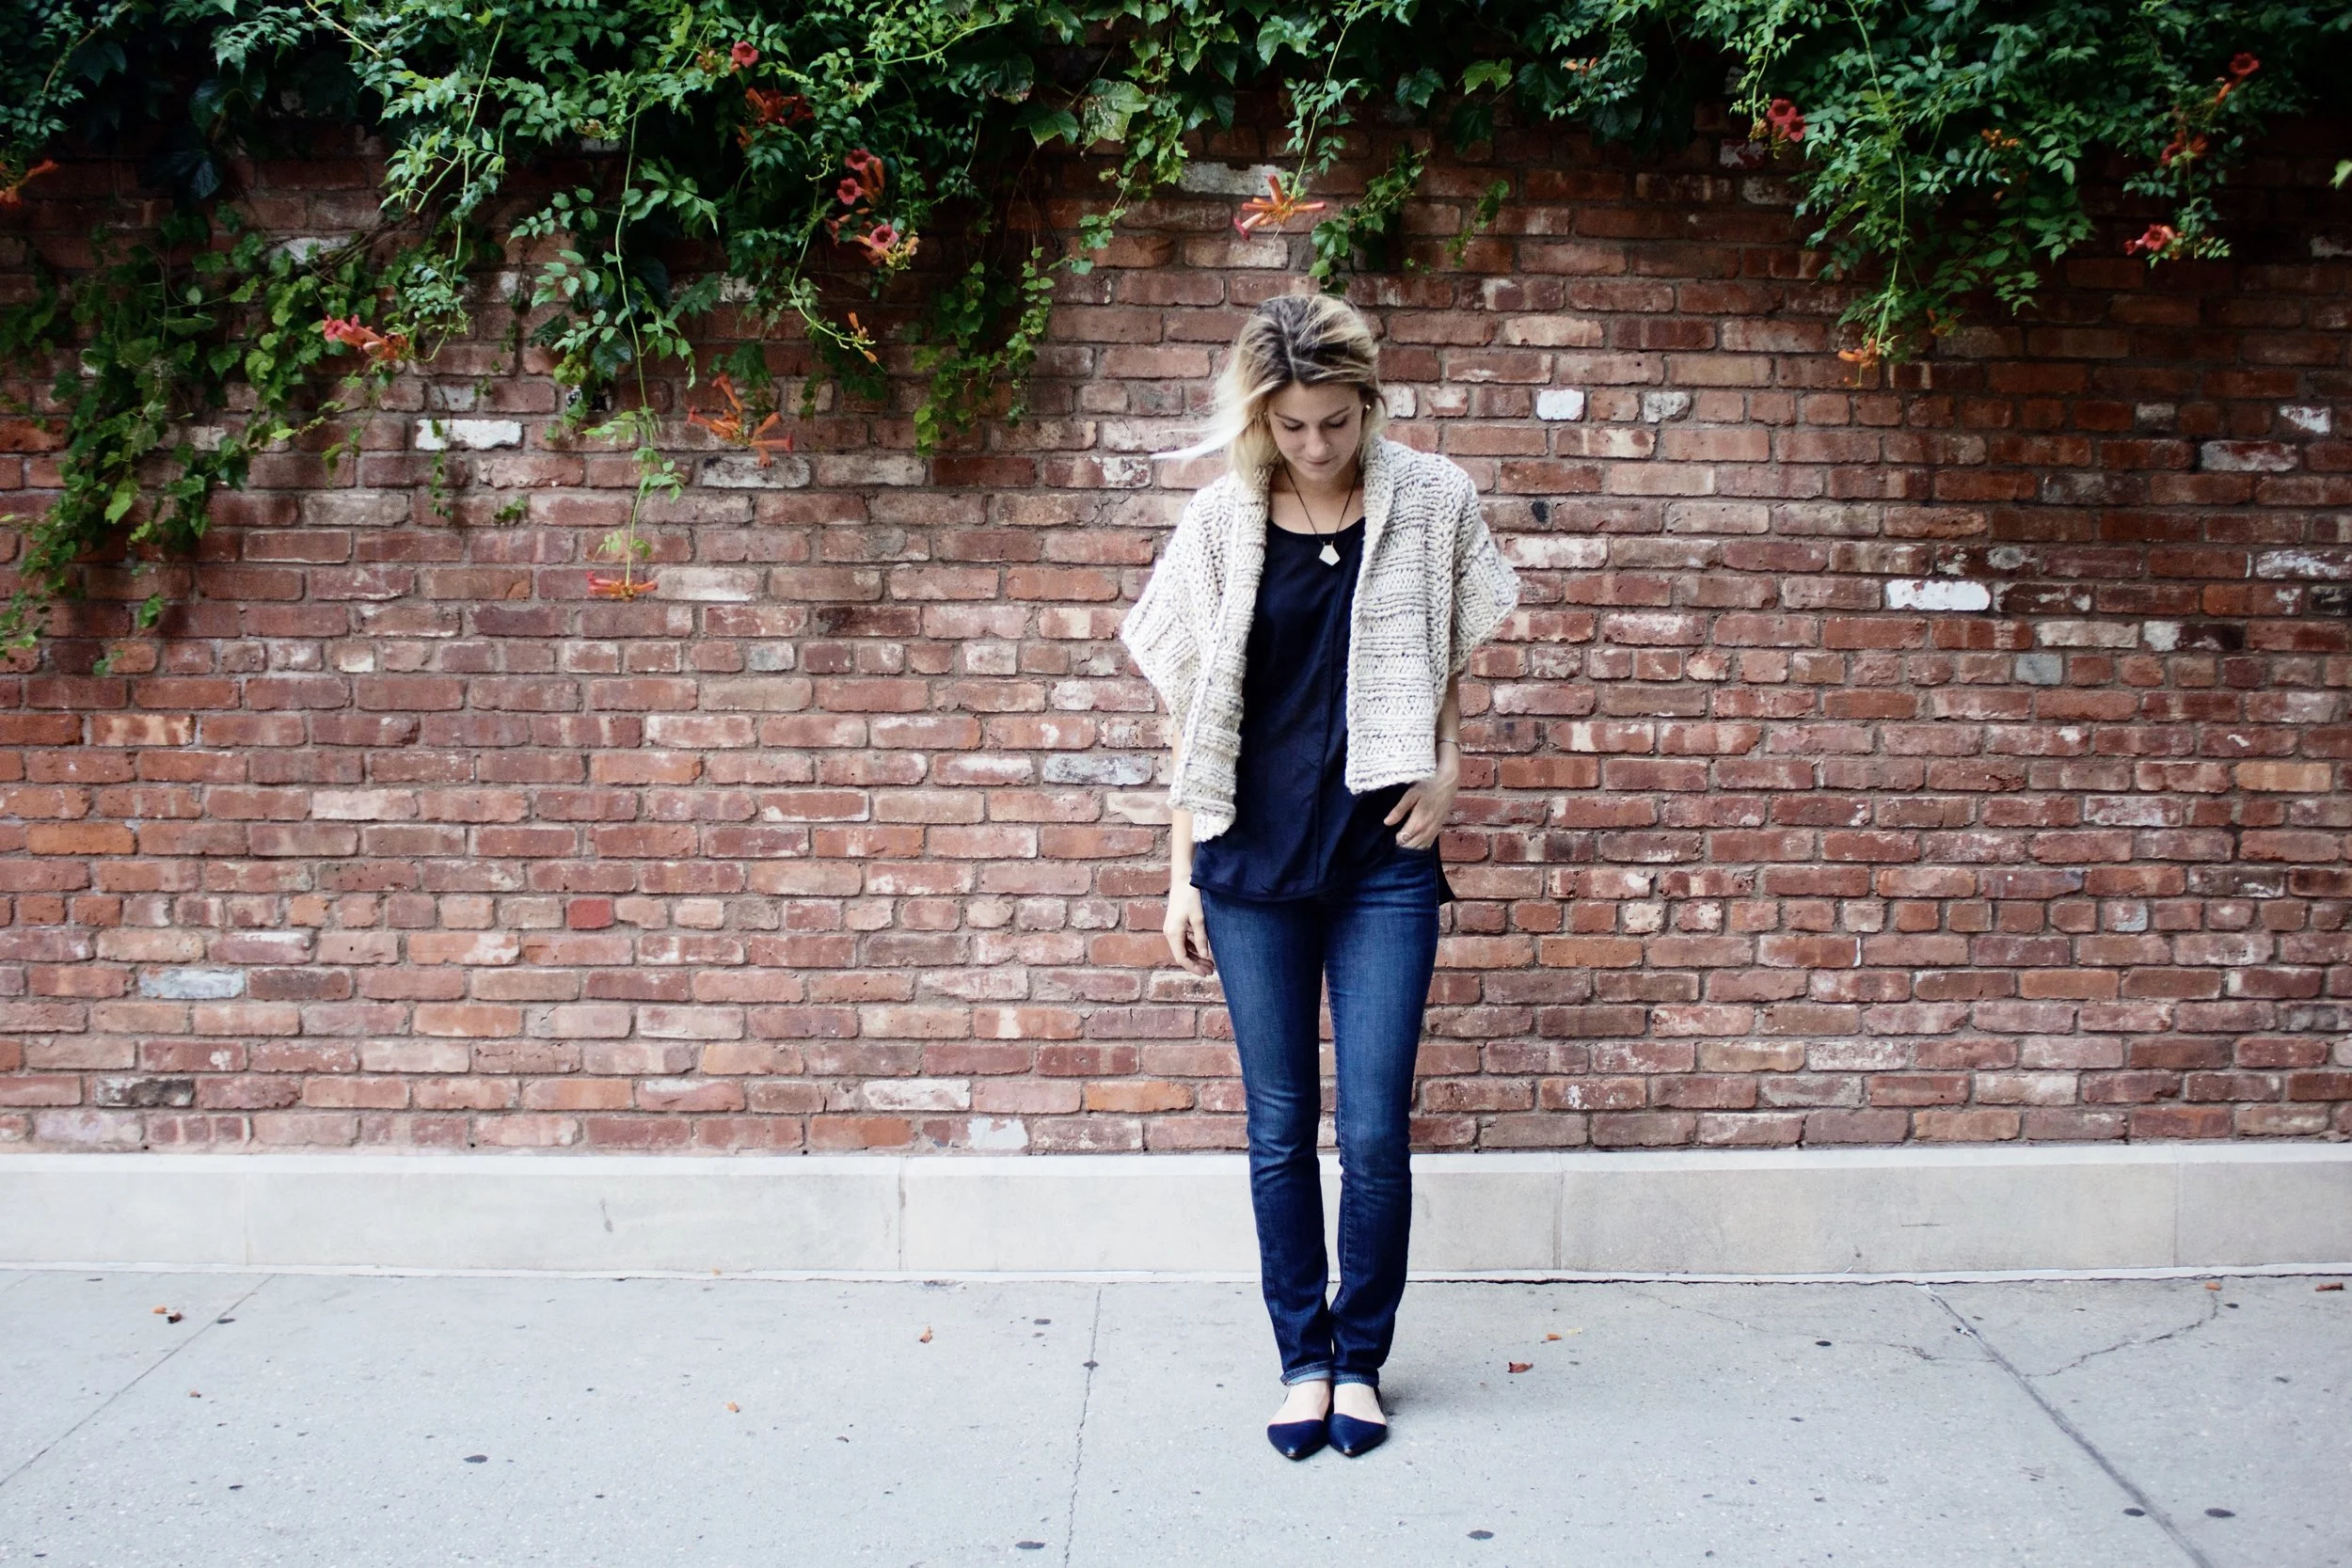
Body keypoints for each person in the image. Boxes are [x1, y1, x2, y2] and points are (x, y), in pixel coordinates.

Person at [1117, 292, 1520, 1460]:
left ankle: (1361, 1360)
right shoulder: (1219, 520)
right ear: (1259, 417)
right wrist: (1179, 874)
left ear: (1368, 404)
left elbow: (1446, 654)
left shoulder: (1431, 499)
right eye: (1291, 425)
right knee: (1281, 1124)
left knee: (1376, 1130)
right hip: (1249, 864)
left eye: (1336, 422)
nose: (1315, 445)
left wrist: (1449, 766)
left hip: (1381, 860)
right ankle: (1302, 1358)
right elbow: (1188, 713)